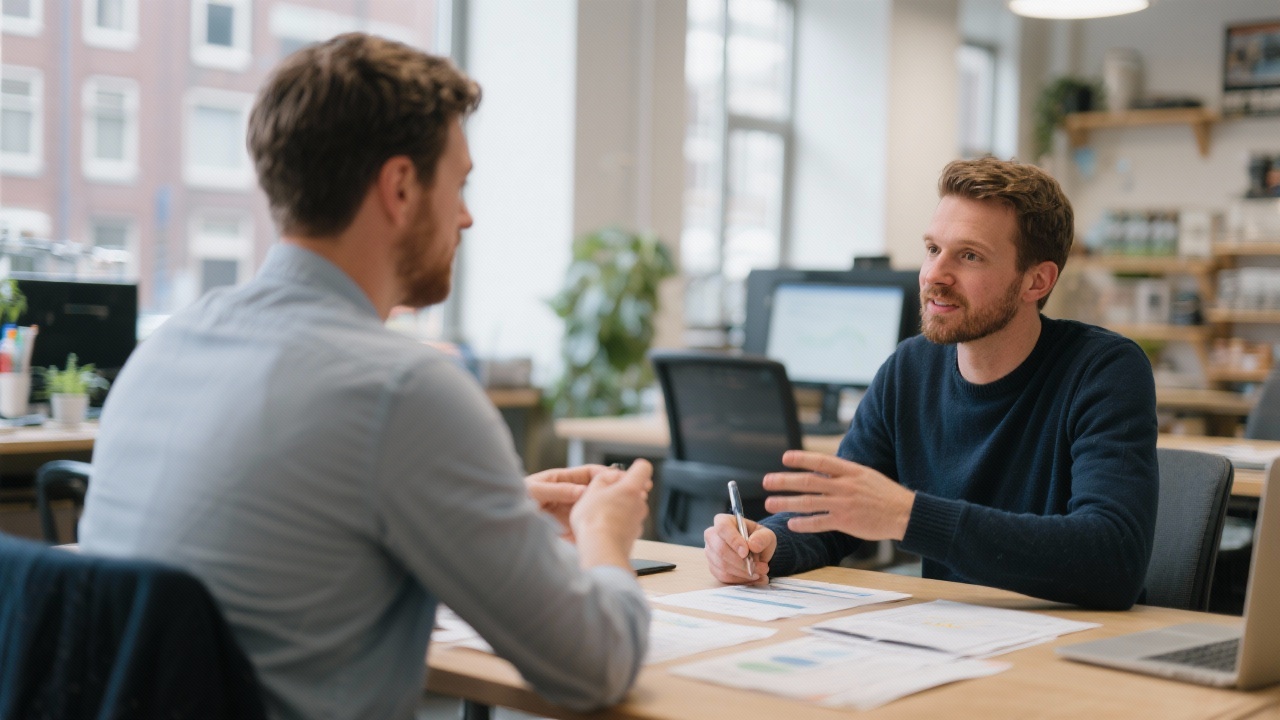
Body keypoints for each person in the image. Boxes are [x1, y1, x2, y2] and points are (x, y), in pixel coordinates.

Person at [79, 33, 653, 719]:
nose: (467, 216)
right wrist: (605, 536)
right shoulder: (404, 391)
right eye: (460, 183)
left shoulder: (166, 351)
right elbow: (594, 666)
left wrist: (487, 505)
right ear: (402, 187)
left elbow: (296, 539)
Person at [704, 156, 1159, 610]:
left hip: (1073, 648)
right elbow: (838, 518)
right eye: (932, 249)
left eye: (969, 256)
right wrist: (766, 544)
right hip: (953, 635)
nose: (934, 276)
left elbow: (1113, 560)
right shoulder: (910, 369)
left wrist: (906, 515)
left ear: (1036, 280)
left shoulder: (1103, 371)